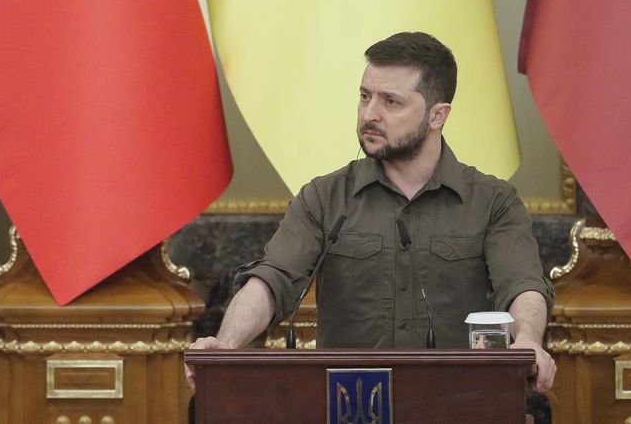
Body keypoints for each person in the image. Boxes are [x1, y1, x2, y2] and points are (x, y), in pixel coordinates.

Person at [188, 32, 556, 393]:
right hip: (350, 404)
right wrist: (226, 344)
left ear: (437, 116)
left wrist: (526, 340)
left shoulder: (493, 202)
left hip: (456, 402)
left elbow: (522, 284)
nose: (369, 114)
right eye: (365, 97)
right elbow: (272, 280)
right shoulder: (325, 197)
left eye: (391, 102)